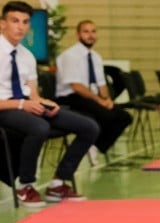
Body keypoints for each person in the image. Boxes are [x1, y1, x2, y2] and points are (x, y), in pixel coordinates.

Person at [0, 0, 98, 207]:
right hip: (5, 107)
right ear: (2, 24)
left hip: (25, 105)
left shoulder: (27, 56)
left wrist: (44, 103)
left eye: (25, 22)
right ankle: (25, 185)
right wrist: (21, 105)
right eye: (15, 21)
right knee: (39, 127)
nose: (21, 27)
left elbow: (33, 94)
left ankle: (58, 182)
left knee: (89, 127)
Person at [54, 19, 133, 158]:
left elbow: (101, 84)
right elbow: (76, 86)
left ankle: (95, 145)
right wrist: (99, 101)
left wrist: (107, 99)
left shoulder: (96, 57)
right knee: (106, 115)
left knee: (124, 117)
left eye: (93, 31)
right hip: (70, 98)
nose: (90, 35)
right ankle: (88, 143)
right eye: (86, 32)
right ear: (78, 35)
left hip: (90, 97)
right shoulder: (69, 56)